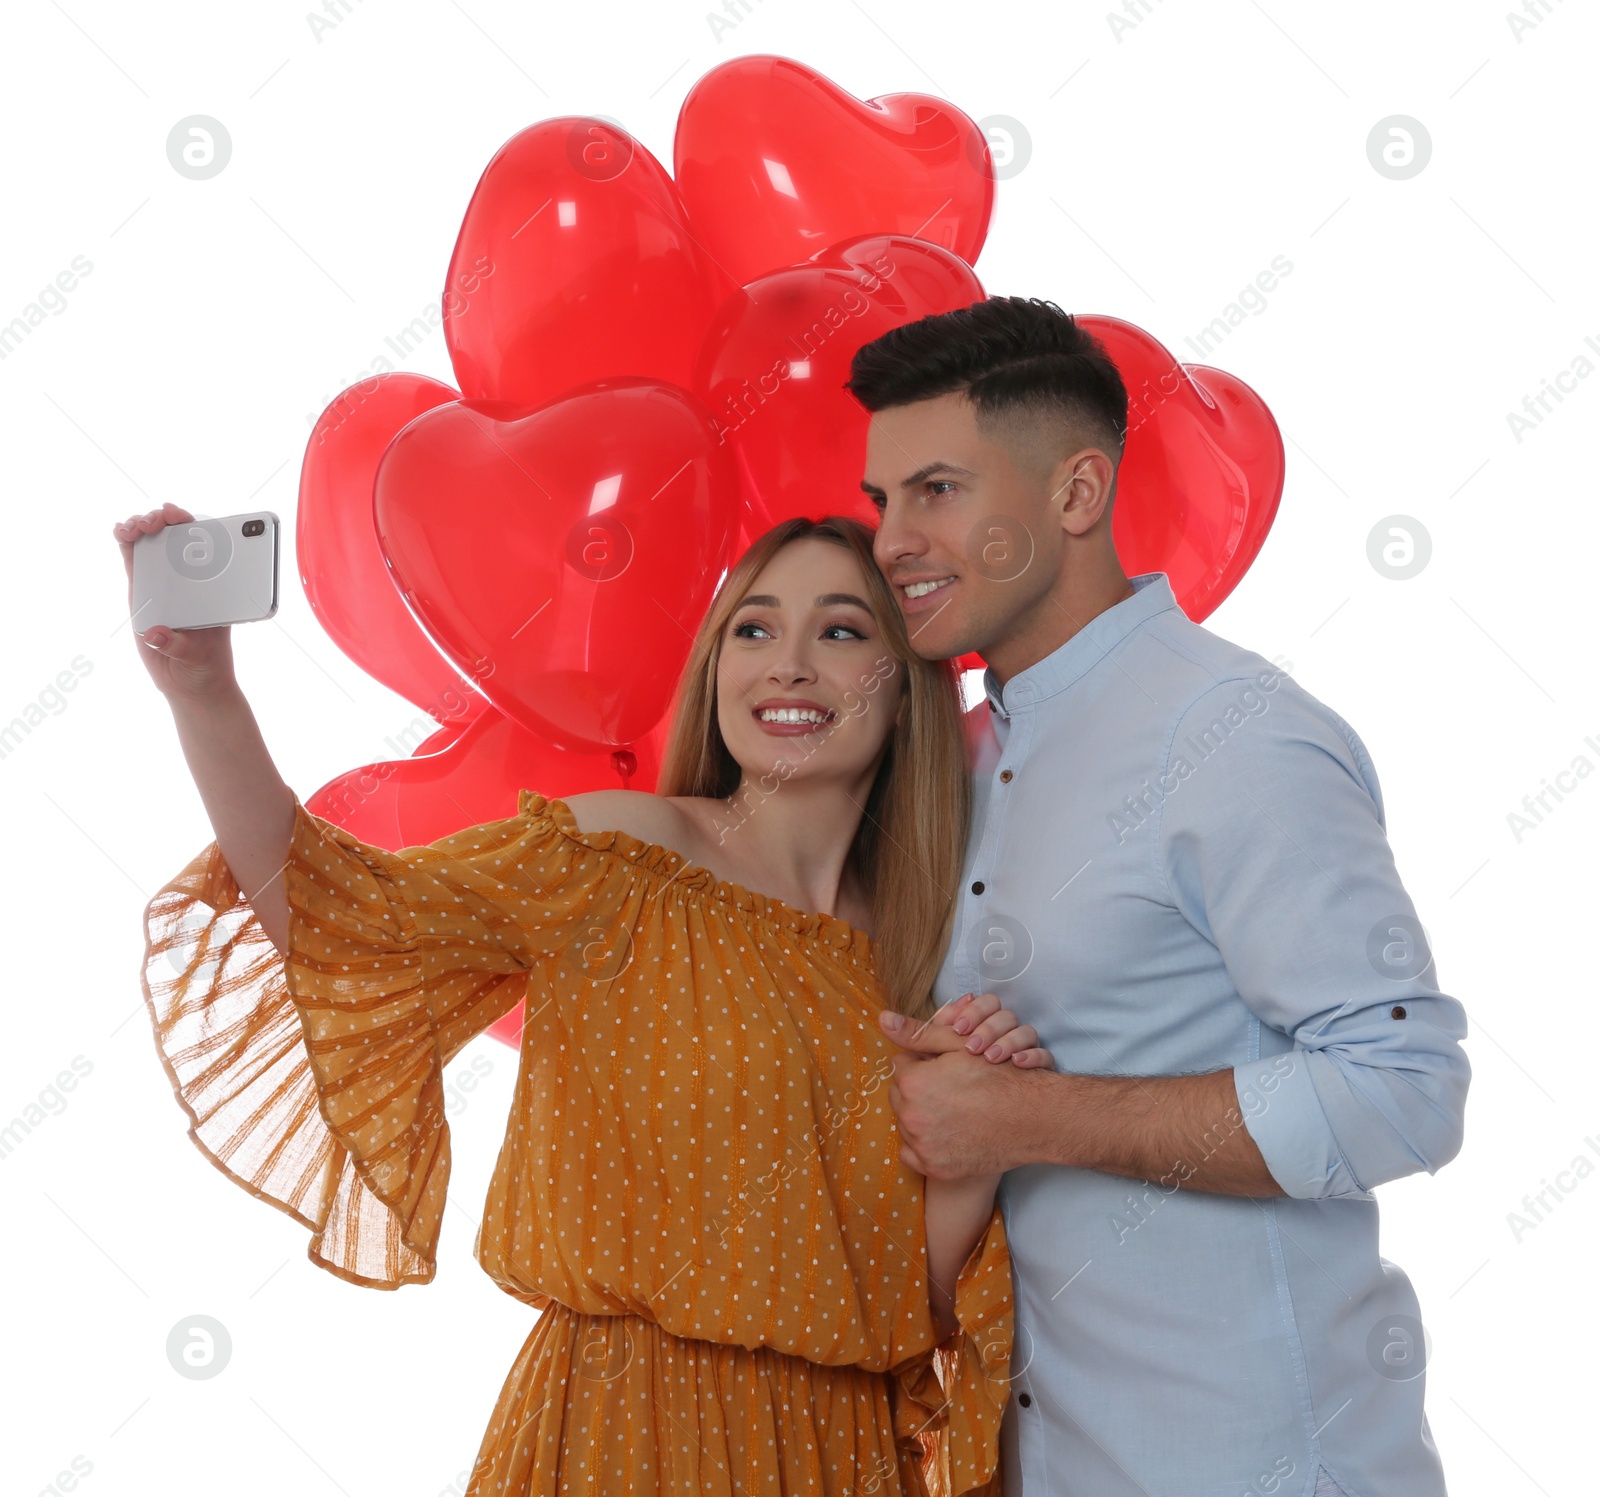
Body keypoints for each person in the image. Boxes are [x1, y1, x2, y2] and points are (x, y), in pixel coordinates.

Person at [119, 503, 1058, 1496]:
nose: (787, 664)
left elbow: (910, 1301)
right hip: (623, 1435)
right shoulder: (613, 857)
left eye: (839, 630)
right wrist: (204, 692)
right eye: (752, 628)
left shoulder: (931, 961)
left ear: (907, 689)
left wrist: (976, 1150)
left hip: (840, 1458)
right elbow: (342, 917)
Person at [848, 296, 1472, 1497]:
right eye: (883, 501)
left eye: (936, 490)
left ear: (1077, 497)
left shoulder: (1237, 735)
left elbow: (1404, 1091)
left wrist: (1027, 1121)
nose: (892, 541)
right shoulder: (954, 766)